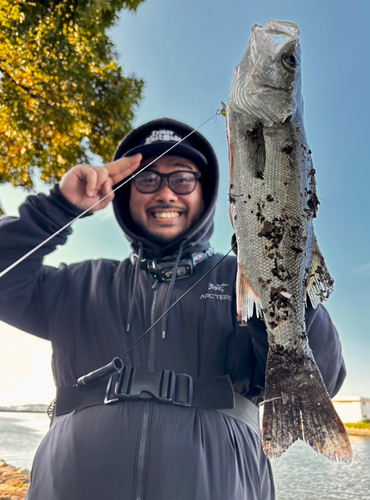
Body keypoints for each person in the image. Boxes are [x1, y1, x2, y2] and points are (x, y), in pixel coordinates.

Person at [0, 118, 346, 500]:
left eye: (182, 179)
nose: (165, 194)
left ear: (206, 191)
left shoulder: (245, 277)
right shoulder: (78, 283)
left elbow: (320, 379)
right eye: (147, 179)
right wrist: (55, 209)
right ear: (125, 193)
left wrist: (281, 264)